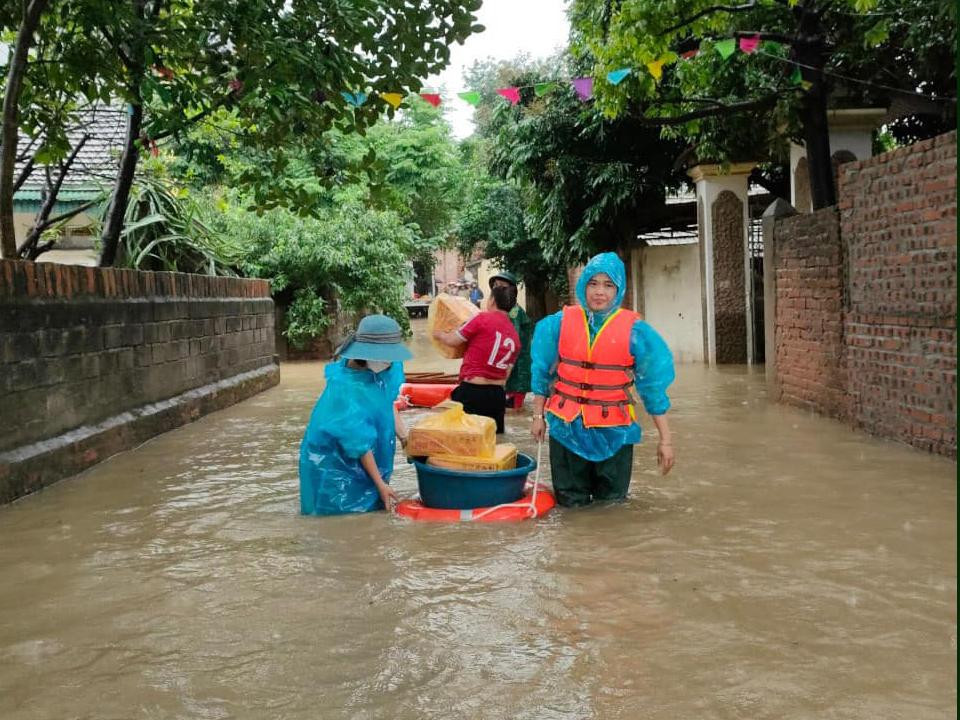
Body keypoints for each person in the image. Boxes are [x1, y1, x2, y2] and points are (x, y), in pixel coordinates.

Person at [530, 252, 675, 507]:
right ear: (583, 285)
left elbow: (653, 390)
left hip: (615, 431)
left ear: (618, 290)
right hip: (566, 428)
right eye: (593, 283)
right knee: (569, 505)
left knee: (611, 507)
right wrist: (538, 417)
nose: (600, 292)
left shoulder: (636, 332)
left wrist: (665, 440)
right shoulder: (559, 324)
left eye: (609, 285)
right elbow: (541, 373)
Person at [299, 314, 411, 515]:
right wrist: (380, 484)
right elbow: (359, 445)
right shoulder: (345, 388)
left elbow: (386, 403)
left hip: (366, 454)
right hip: (332, 464)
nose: (390, 361)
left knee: (374, 511)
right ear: (367, 354)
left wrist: (405, 438)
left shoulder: (384, 370)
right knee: (339, 518)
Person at [433, 283, 521, 434]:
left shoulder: (482, 319)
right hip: (498, 396)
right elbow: (507, 374)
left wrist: (438, 334)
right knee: (492, 444)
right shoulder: (515, 337)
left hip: (473, 392)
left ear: (492, 301)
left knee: (464, 440)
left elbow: (453, 341)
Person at [488, 270, 533, 410]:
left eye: (502, 286)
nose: (497, 289)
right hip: (511, 371)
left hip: (517, 372)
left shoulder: (514, 312)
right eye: (495, 285)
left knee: (513, 411)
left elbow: (511, 343)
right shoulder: (507, 311)